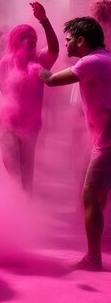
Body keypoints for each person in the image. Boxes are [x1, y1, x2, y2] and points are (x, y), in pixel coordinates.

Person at [39, 17, 111, 271]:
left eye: (69, 40)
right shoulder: (106, 57)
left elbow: (50, 79)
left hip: (107, 143)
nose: (66, 45)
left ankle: (93, 258)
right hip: (103, 139)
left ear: (81, 41)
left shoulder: (91, 61)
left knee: (90, 196)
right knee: (99, 196)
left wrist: (34, 66)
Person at [0, 2, 59, 193]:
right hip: (8, 124)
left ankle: (26, 214)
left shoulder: (40, 58)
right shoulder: (5, 62)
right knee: (13, 173)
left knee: (26, 174)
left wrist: (44, 22)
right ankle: (14, 211)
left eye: (33, 37)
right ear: (16, 40)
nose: (30, 40)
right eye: (25, 37)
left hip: (31, 126)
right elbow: (3, 92)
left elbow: (55, 49)